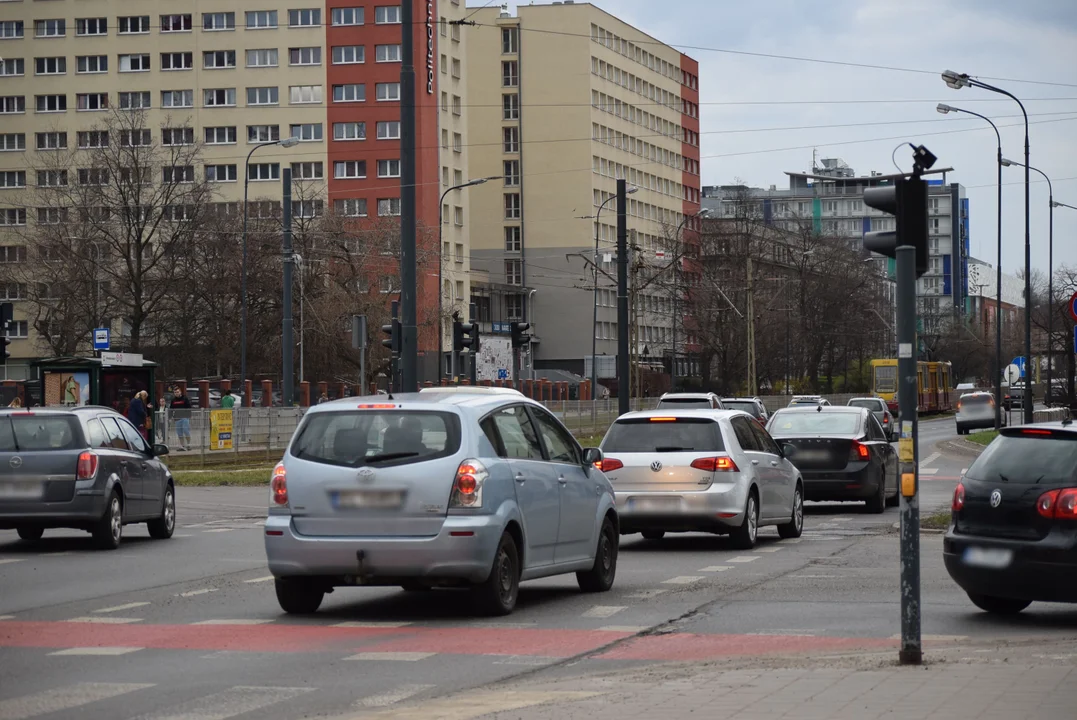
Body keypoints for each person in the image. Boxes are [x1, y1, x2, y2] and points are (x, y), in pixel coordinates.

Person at [169, 386, 193, 451]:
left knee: (186, 431)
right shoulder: (173, 400)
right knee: (179, 433)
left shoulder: (185, 398)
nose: (176, 393)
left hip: (185, 418)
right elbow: (171, 409)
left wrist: (189, 416)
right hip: (177, 418)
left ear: (180, 392)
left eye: (177, 392)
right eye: (175, 392)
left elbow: (189, 408)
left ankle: (188, 445)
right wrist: (170, 417)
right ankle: (182, 446)